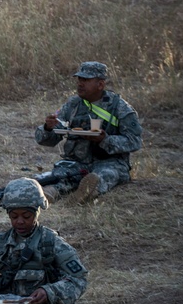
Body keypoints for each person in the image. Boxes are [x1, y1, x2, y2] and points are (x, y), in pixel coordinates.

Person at [36, 61, 142, 205]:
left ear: (100, 85)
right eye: (79, 79)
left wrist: (105, 140)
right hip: (77, 162)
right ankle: (52, 192)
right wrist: (48, 128)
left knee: (104, 176)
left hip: (110, 162)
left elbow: (134, 141)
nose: (80, 84)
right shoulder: (72, 105)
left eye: (86, 80)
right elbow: (49, 138)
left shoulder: (120, 108)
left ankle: (87, 192)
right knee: (61, 175)